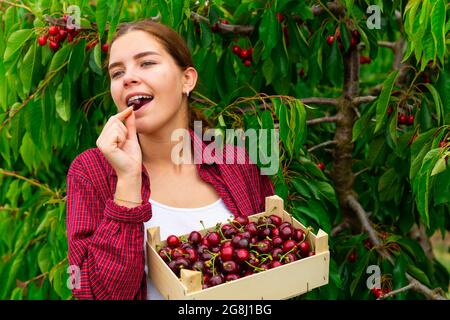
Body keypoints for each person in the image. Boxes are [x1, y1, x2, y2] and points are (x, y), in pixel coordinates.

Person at [66, 19, 274, 300]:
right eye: (117, 72)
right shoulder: (91, 171)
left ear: (187, 80)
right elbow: (94, 294)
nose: (128, 78)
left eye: (147, 63)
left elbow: (273, 263)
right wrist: (127, 182)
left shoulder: (236, 162)